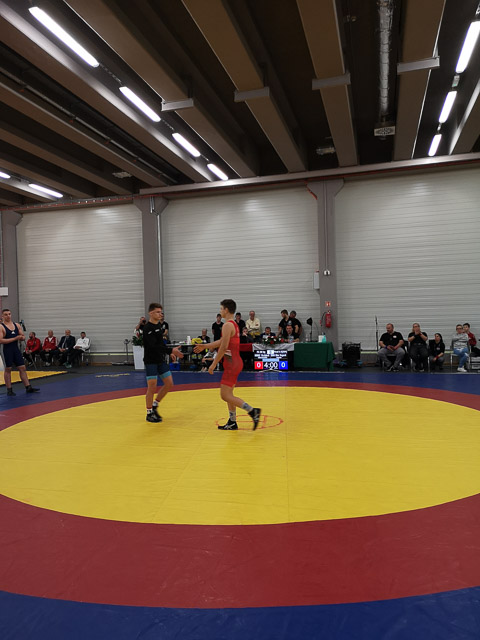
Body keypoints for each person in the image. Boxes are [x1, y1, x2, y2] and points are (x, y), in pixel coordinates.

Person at [194, 299, 261, 430]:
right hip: (234, 362)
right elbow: (221, 341)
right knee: (229, 394)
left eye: (221, 309)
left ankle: (253, 411)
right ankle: (232, 421)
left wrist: (213, 364)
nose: (220, 311)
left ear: (226, 310)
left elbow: (223, 347)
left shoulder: (227, 326)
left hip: (231, 363)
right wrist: (205, 346)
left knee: (225, 395)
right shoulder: (233, 324)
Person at [143, 303, 183, 422]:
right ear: (151, 313)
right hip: (151, 361)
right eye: (157, 312)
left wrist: (169, 353)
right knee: (152, 386)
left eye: (161, 312)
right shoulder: (147, 328)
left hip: (160, 360)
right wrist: (171, 350)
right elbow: (153, 346)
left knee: (169, 383)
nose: (160, 314)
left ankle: (155, 405)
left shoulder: (159, 326)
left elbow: (160, 344)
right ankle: (149, 412)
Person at [0, 309, 39, 396]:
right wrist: (15, 338)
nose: (8, 316)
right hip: (6, 350)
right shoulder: (1, 327)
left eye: (9, 314)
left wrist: (22, 338)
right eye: (6, 314)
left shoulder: (16, 325)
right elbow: (1, 340)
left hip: (15, 349)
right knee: (8, 369)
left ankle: (28, 387)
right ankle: (9, 389)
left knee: (22, 368)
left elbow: (22, 336)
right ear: (2, 316)